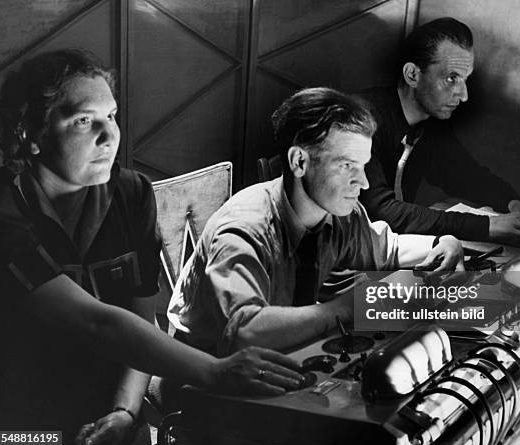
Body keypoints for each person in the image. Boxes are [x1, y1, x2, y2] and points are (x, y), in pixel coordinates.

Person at [0, 49, 303, 445]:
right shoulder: (1, 211)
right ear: (30, 135)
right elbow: (96, 323)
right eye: (85, 121)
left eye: (112, 116)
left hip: (112, 405)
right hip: (19, 423)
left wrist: (124, 411)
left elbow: (141, 317)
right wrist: (214, 372)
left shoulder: (132, 193)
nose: (110, 136)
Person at [167, 87, 464, 357]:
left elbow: (386, 248)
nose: (361, 182)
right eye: (347, 165)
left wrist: (439, 245)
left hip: (278, 355)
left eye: (363, 166)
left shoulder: (337, 213)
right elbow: (246, 331)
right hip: (202, 374)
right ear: (299, 162)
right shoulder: (242, 230)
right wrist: (342, 310)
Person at [359, 17, 520, 244]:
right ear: (412, 74)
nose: (463, 95)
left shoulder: (429, 122)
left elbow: (463, 174)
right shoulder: (361, 118)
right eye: (451, 78)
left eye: (464, 79)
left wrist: (512, 202)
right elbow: (381, 211)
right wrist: (487, 226)